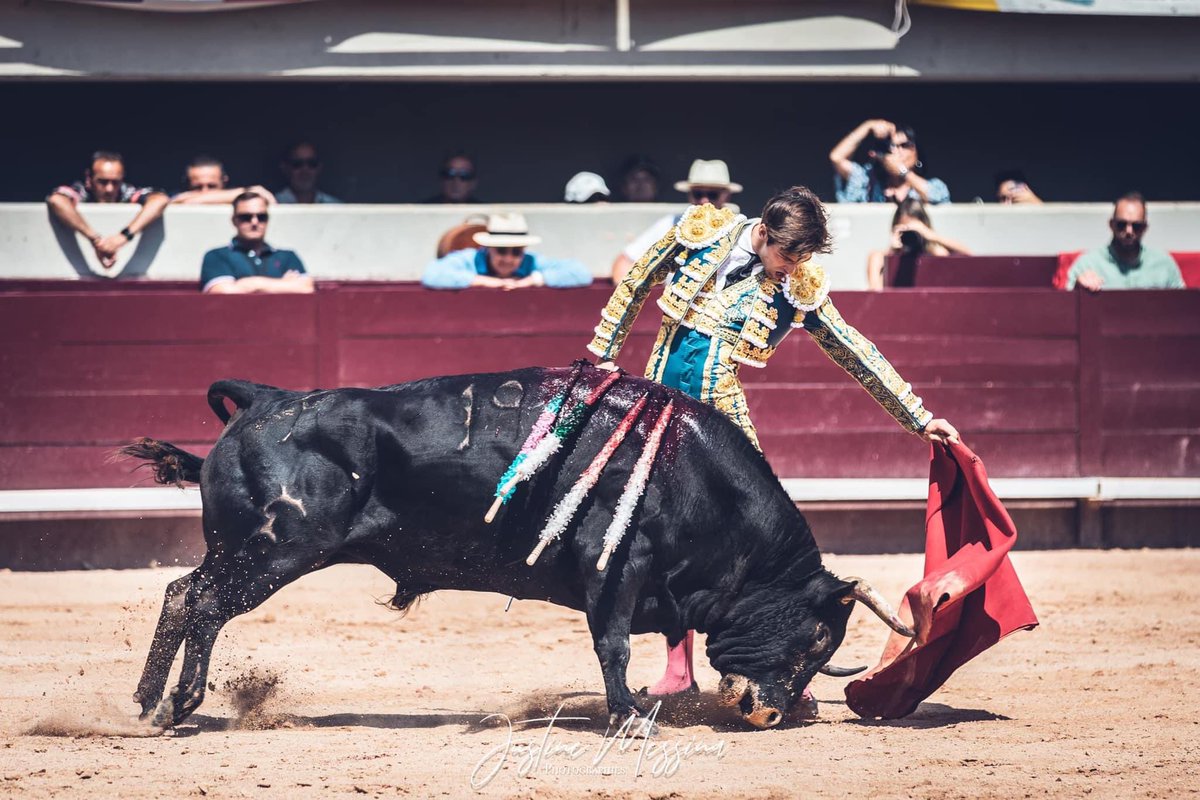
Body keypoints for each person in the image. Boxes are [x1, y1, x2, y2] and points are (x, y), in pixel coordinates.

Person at [587, 186, 959, 712]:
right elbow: (635, 282)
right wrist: (604, 354)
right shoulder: (700, 233)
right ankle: (677, 670)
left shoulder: (796, 286)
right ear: (762, 232)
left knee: (757, 543)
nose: (791, 270)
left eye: (801, 260)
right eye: (787, 256)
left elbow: (853, 350)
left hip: (723, 424)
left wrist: (918, 418)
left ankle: (789, 666)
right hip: (659, 409)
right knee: (659, 541)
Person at [610, 158, 741, 283]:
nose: (704, 201)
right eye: (698, 194)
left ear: (726, 195)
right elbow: (624, 262)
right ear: (689, 195)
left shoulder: (740, 228)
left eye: (713, 195)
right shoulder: (672, 224)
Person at [46, 150, 170, 271]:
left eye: (115, 182)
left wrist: (123, 237)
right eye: (102, 182)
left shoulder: (126, 192)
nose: (110, 189)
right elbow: (57, 200)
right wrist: (95, 239)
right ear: (89, 179)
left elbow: (160, 200)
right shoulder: (81, 191)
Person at [422, 212, 592, 290]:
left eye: (516, 252)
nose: (508, 259)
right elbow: (432, 274)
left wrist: (533, 280)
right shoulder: (470, 259)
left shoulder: (530, 262)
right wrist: (482, 281)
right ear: (488, 249)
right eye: (502, 251)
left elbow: (581, 272)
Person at [1066, 192, 1184, 291]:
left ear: (1145, 228)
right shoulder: (1087, 264)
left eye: (1136, 226)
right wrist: (1078, 290)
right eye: (1121, 224)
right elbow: (1066, 309)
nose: (1128, 231)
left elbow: (1184, 306)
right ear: (1111, 224)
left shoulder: (1164, 264)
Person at [199, 192, 313, 294]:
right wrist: (283, 284)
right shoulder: (216, 256)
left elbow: (306, 288)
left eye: (261, 217)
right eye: (246, 217)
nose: (254, 222)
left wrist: (250, 284)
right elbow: (223, 292)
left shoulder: (288, 256)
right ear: (234, 220)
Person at [830, 119, 950, 204]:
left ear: (917, 153)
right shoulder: (867, 182)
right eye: (891, 146)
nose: (897, 151)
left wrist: (902, 172)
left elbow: (937, 197)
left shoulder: (934, 185)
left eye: (904, 145)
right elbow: (837, 157)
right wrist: (868, 126)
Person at [866, 198, 971, 290]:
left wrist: (931, 236)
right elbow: (875, 292)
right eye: (905, 231)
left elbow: (969, 258)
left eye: (914, 232)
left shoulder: (935, 254)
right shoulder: (879, 258)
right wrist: (891, 252)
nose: (909, 236)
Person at [171, 154, 276, 205]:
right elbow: (171, 202)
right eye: (198, 187)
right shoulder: (178, 197)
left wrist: (193, 199)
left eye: (211, 186)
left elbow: (261, 194)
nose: (205, 192)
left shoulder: (236, 198)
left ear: (224, 181)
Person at [276, 142, 341, 204]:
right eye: (297, 164)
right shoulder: (273, 204)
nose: (305, 170)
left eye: (312, 163)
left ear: (319, 167)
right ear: (285, 168)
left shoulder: (336, 206)